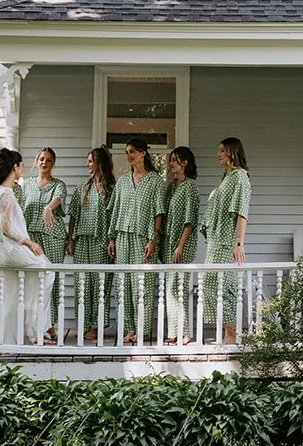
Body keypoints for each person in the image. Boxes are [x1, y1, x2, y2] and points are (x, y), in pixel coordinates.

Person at [0, 148, 52, 345]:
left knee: (18, 287)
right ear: (15, 167)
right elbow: (7, 227)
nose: (23, 168)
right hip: (9, 249)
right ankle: (33, 329)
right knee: (47, 272)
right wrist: (30, 243)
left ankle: (21, 332)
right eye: (22, 165)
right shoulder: (6, 194)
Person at [107, 138, 165, 344]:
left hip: (144, 237)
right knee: (124, 283)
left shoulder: (156, 181)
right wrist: (112, 238)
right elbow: (115, 211)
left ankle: (143, 329)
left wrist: (153, 239)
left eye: (132, 151)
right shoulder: (122, 181)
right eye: (127, 152)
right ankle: (129, 329)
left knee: (143, 283)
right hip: (122, 236)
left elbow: (159, 213)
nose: (129, 155)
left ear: (143, 153)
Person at [204, 137, 251, 344]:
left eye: (222, 150)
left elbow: (242, 211)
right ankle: (226, 334)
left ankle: (233, 335)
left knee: (226, 287)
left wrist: (239, 243)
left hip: (227, 242)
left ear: (232, 152)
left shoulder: (240, 177)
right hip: (215, 242)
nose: (218, 154)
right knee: (211, 286)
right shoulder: (226, 178)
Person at [65, 147, 114, 341]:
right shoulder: (82, 187)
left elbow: (114, 216)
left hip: (101, 241)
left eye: (91, 161)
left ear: (100, 163)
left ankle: (96, 326)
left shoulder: (112, 188)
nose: (88, 165)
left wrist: (113, 241)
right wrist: (70, 240)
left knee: (99, 284)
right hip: (82, 239)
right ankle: (83, 324)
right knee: (82, 284)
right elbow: (73, 215)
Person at [20, 147, 67, 339]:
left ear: (53, 163)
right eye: (41, 159)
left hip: (53, 237)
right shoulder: (27, 185)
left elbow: (58, 199)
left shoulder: (59, 185)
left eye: (48, 160)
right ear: (36, 161)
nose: (44, 162)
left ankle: (50, 325)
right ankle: (34, 325)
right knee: (33, 282)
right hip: (32, 238)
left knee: (51, 281)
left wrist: (48, 208)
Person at [161, 146, 200, 344]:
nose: (171, 164)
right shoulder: (173, 187)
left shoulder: (191, 187)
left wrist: (180, 246)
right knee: (170, 289)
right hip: (169, 243)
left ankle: (184, 333)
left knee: (180, 287)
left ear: (184, 163)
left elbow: (190, 221)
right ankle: (173, 332)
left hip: (182, 244)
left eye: (174, 160)